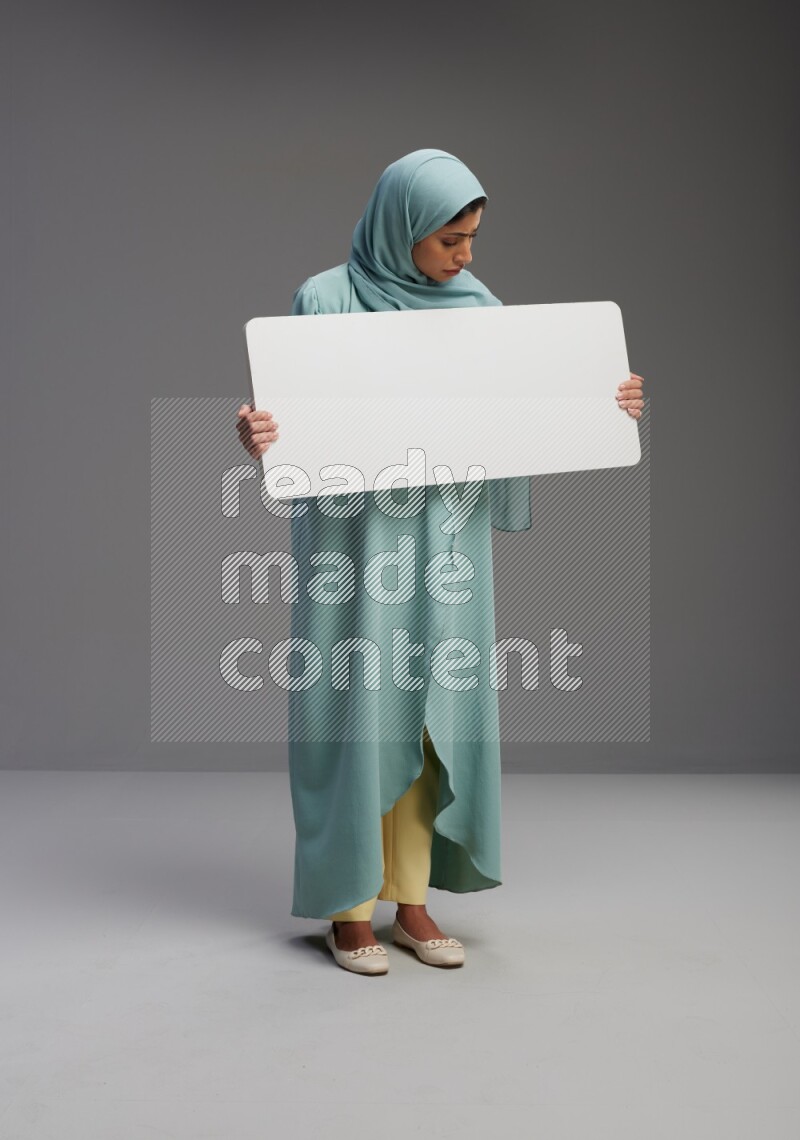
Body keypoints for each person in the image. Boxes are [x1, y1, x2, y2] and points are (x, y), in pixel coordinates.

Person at [237, 149, 644, 976]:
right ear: (402, 227)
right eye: (450, 240)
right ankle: (350, 909)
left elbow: (520, 419)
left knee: (430, 712)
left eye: (472, 239)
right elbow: (293, 422)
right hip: (355, 550)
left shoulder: (479, 308)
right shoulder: (324, 299)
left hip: (445, 544)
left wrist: (603, 403)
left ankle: (411, 898)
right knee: (355, 708)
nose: (465, 256)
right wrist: (257, 436)